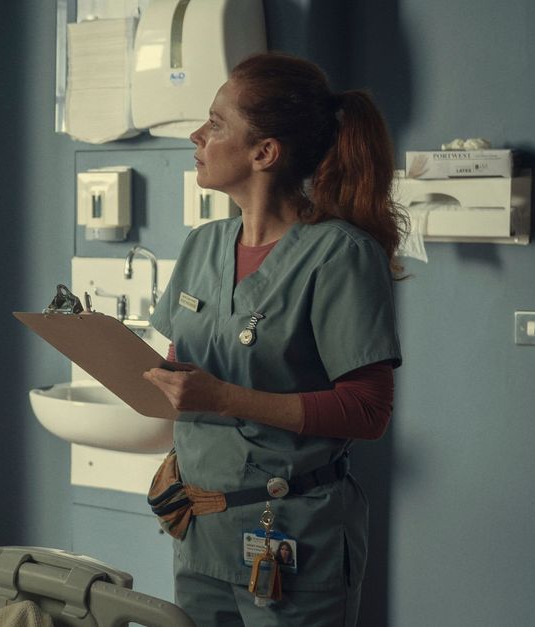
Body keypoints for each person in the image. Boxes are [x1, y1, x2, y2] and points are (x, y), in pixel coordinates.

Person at [143, 52, 403, 626]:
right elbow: (184, 369)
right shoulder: (202, 244)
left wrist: (223, 398)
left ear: (264, 152)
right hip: (200, 528)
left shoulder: (340, 255)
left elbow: (368, 410)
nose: (197, 135)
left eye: (215, 123)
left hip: (291, 540)